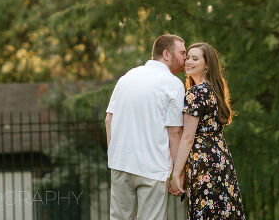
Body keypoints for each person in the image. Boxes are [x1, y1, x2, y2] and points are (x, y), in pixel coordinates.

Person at [105, 34, 187, 220]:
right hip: (153, 168)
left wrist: (115, 155)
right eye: (182, 52)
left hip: (120, 164)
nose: (185, 57)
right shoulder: (174, 84)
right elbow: (174, 133)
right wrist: (178, 173)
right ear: (166, 54)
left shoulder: (126, 77)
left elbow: (109, 120)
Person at [170, 42, 246, 219]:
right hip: (220, 158)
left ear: (207, 64)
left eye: (195, 58)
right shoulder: (214, 90)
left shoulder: (196, 93)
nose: (188, 61)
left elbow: (188, 138)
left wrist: (176, 173)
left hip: (203, 162)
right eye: (187, 57)